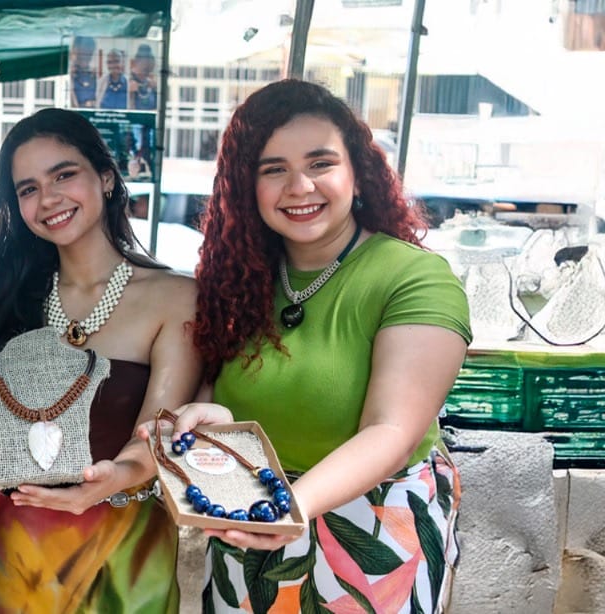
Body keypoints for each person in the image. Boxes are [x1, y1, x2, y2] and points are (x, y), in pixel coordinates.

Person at [166, 79, 470, 613]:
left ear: (358, 173)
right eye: (273, 169)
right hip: (250, 537)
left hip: (374, 538)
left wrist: (291, 507)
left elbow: (392, 432)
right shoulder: (242, 282)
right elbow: (226, 396)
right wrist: (213, 419)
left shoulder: (415, 277)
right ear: (247, 186)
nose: (299, 186)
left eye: (320, 163)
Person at [0, 107, 202, 612]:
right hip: (23, 540)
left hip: (128, 542)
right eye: (28, 188)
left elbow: (160, 430)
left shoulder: (175, 296)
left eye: (63, 175)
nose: (48, 198)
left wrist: (113, 478)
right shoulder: (10, 295)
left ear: (105, 177)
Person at [69, 36, 98, 108]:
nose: (86, 59)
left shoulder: (93, 75)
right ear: (74, 50)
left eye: (89, 56)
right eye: (82, 56)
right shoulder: (69, 74)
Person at [128, 44, 158, 111]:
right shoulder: (127, 83)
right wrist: (130, 95)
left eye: (149, 71)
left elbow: (158, 110)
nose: (147, 74)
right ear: (137, 62)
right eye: (145, 69)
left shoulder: (151, 84)